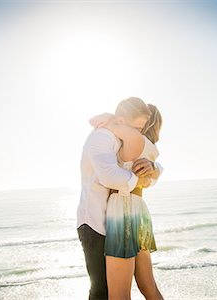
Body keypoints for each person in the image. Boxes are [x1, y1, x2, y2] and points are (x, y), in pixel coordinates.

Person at [77, 97, 163, 300]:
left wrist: (152, 171)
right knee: (110, 291)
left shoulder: (125, 138)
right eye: (136, 127)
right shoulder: (105, 137)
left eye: (141, 128)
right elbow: (113, 177)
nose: (138, 131)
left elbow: (115, 176)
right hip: (106, 219)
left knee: (114, 294)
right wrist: (144, 178)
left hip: (121, 216)